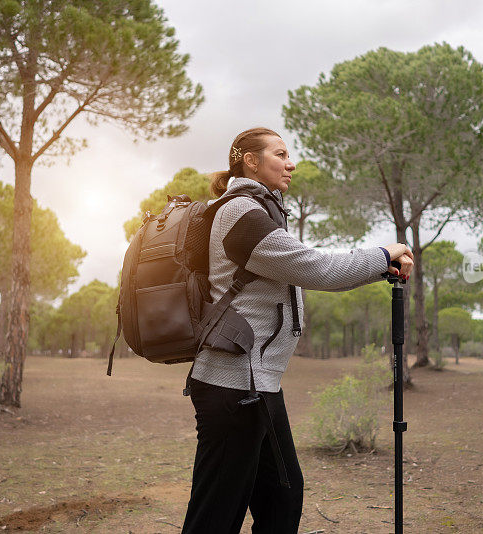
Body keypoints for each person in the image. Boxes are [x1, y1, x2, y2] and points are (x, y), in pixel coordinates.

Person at [181, 127, 414, 534]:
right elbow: (319, 269)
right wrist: (384, 253)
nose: (292, 164)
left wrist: (378, 269)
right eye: (281, 154)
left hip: (259, 386)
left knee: (282, 502)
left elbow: (308, 271)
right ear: (250, 161)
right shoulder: (240, 213)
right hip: (230, 388)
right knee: (216, 517)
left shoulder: (263, 211)